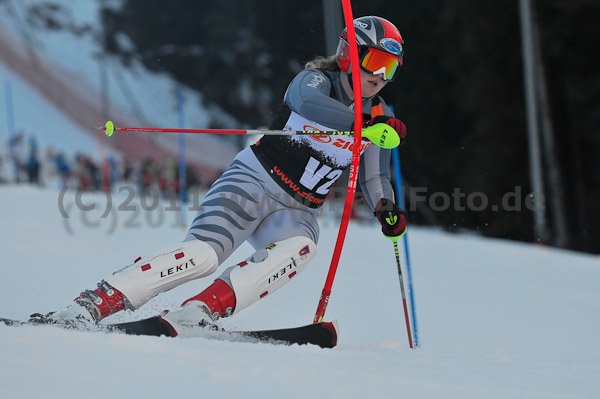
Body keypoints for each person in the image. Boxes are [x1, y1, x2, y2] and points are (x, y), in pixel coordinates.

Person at [41, 16, 409, 335]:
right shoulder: (315, 82)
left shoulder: (380, 113)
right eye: (375, 61)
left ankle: (199, 311)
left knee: (302, 248)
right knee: (203, 255)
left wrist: (385, 209)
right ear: (349, 54)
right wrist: (362, 122)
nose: (379, 76)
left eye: (390, 69)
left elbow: (374, 176)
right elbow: (308, 106)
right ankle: (94, 303)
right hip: (255, 182)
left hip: (298, 210)